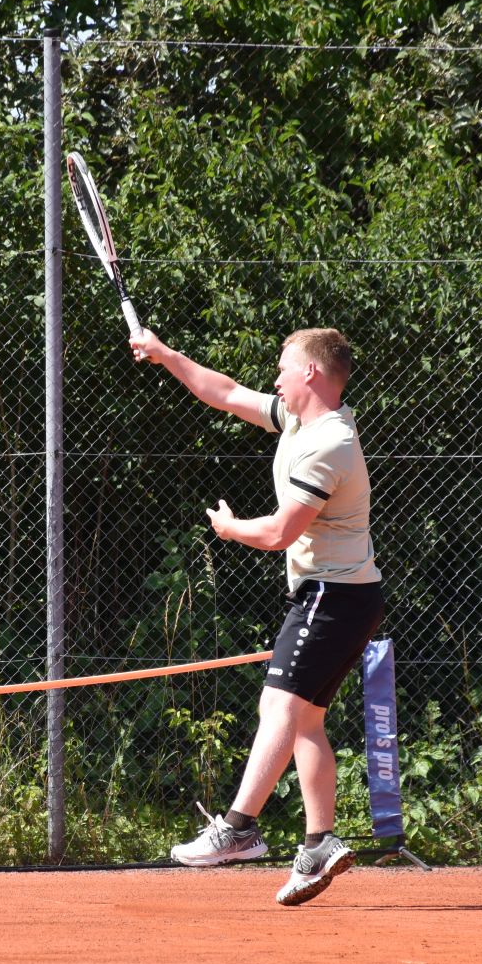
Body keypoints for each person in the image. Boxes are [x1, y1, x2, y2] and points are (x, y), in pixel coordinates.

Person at [130, 326, 384, 905]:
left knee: (279, 707)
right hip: (347, 596)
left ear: (311, 372)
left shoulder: (330, 444)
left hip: (331, 596)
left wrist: (228, 528)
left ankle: (238, 828)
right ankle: (319, 844)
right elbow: (223, 392)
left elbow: (278, 533)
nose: (276, 377)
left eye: (284, 366)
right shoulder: (298, 421)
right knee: (307, 720)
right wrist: (166, 355)